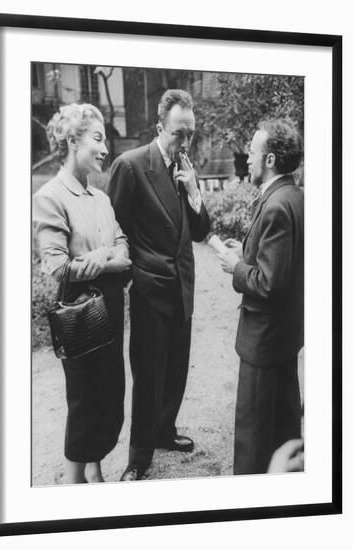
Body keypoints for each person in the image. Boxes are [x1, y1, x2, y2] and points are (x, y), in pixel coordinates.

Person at [108, 89, 211, 481]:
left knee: (176, 371)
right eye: (178, 134)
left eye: (190, 134)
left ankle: (164, 431)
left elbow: (199, 232)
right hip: (151, 292)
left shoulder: (186, 168)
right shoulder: (132, 165)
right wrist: (136, 273)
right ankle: (138, 457)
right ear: (158, 128)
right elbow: (114, 229)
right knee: (149, 376)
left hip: (182, 287)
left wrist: (194, 193)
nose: (185, 142)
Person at [33, 103, 131, 484]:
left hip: (109, 307)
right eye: (98, 137)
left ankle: (95, 468)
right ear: (73, 140)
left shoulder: (102, 198)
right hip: (79, 311)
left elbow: (124, 251)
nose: (106, 147)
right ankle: (75, 491)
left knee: (110, 398)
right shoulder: (50, 196)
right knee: (85, 403)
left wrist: (102, 255)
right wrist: (109, 261)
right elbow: (57, 266)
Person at [217, 118, 304, 475]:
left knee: (253, 441)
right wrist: (247, 252)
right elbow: (283, 265)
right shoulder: (294, 196)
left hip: (263, 343)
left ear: (269, 159)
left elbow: (269, 284)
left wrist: (237, 266)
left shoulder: (275, 206)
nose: (246, 158)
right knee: (283, 429)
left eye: (252, 152)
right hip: (284, 339)